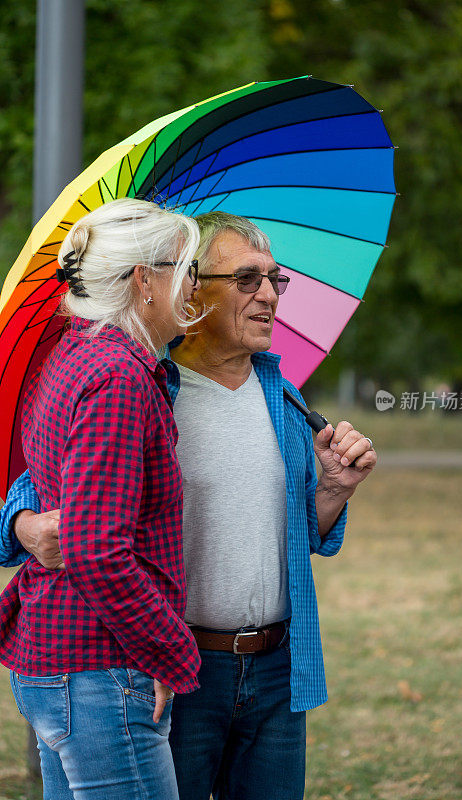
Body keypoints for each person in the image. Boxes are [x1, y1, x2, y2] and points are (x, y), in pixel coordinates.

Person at [0, 211, 377, 800]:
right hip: (174, 666)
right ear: (190, 287)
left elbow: (296, 535)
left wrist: (332, 489)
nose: (270, 296)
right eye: (247, 279)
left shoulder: (287, 401)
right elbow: (33, 491)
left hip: (275, 667)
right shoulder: (145, 380)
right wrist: (26, 528)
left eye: (276, 279)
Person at [0, 198, 203, 800]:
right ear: (145, 280)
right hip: (98, 669)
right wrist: (171, 651)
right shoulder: (117, 375)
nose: (194, 281)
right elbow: (96, 549)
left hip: (65, 661)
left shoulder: (75, 354)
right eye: (185, 266)